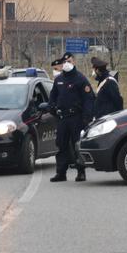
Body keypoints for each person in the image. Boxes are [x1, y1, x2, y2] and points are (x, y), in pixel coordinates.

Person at [48, 52, 95, 182]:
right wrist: (52, 108)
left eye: (69, 61)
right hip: (63, 118)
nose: (67, 63)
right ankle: (61, 173)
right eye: (65, 61)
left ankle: (81, 172)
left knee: (77, 145)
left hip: (76, 118)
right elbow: (53, 96)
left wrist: (87, 117)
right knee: (61, 145)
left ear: (73, 62)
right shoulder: (59, 79)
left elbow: (88, 99)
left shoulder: (80, 79)